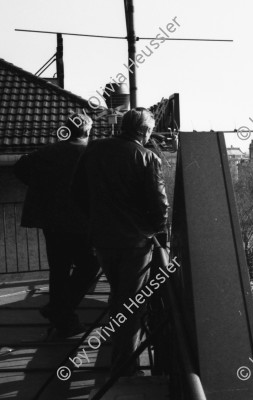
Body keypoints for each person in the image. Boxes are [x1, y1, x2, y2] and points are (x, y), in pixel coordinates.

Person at [73, 108, 169, 376]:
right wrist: (152, 230)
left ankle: (120, 353)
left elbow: (77, 191)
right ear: (143, 130)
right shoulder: (148, 158)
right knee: (132, 303)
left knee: (118, 295)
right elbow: (160, 205)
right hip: (135, 243)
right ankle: (124, 365)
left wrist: (95, 221)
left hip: (103, 239)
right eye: (150, 130)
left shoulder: (94, 149)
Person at [14, 112, 99, 338]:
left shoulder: (48, 152)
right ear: (88, 131)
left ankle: (64, 319)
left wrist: (40, 187)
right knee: (90, 266)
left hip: (51, 220)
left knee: (59, 269)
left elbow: (19, 168)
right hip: (80, 221)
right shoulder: (90, 154)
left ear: (67, 128)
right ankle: (60, 311)